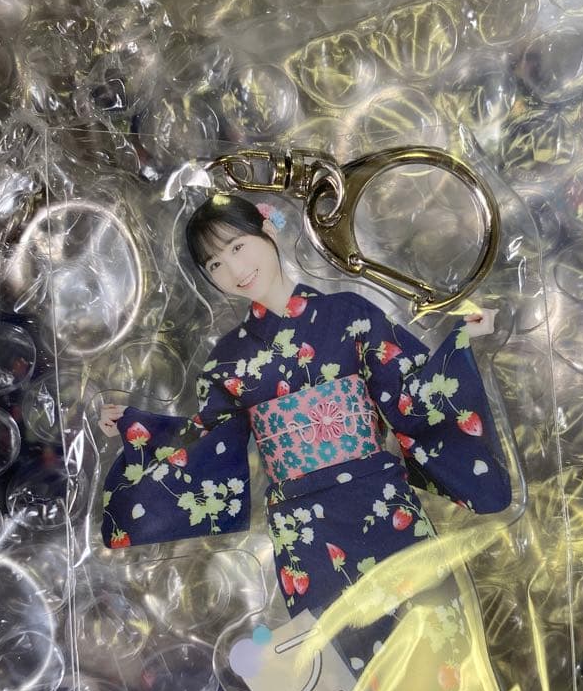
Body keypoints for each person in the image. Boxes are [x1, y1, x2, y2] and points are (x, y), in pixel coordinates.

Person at [99, 192, 511, 613]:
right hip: (302, 525)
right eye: (216, 265)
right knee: (340, 639)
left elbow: (407, 394)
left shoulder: (347, 313)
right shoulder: (227, 360)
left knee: (433, 622)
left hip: (379, 496)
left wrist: (462, 339)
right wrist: (138, 428)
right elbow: (208, 441)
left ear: (268, 229)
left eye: (237, 247)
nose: (234, 270)